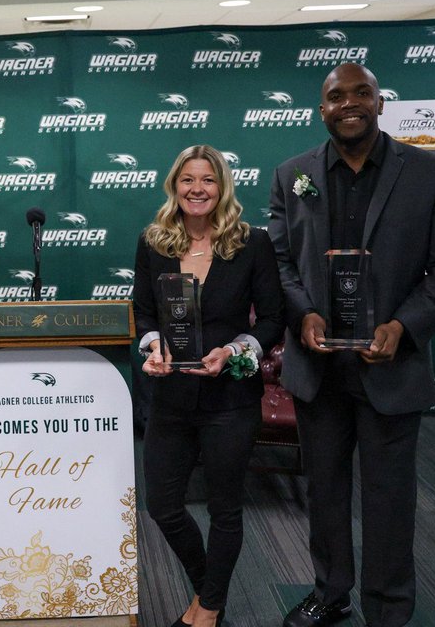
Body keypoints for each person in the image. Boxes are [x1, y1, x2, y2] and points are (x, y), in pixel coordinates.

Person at [268, 63, 435, 627]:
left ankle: (388, 609)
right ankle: (330, 594)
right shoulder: (292, 175)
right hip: (319, 368)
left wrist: (403, 326)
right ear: (322, 108)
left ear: (381, 103)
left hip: (391, 364)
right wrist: (303, 313)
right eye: (337, 96)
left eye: (362, 93)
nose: (349, 103)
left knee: (389, 498)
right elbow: (281, 262)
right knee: (325, 493)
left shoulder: (430, 174)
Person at [133, 144, 284, 627]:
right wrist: (153, 345)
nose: (197, 189)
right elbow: (143, 312)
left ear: (222, 188)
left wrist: (236, 352)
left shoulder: (251, 242)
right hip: (170, 398)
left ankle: (208, 610)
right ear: (174, 186)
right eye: (187, 180)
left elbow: (274, 320)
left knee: (224, 508)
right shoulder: (154, 241)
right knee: (162, 506)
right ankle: (210, 591)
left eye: (208, 180)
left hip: (230, 401)